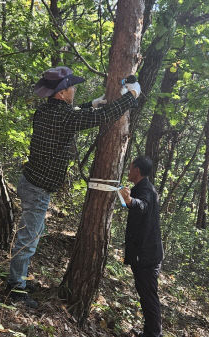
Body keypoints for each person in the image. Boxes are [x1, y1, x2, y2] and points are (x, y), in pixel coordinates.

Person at [8, 66, 142, 308]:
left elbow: (73, 115)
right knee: (28, 239)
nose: (74, 90)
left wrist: (92, 103)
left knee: (32, 233)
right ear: (61, 93)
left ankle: (19, 279)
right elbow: (98, 118)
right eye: (71, 87)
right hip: (37, 188)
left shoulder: (46, 111)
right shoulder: (63, 116)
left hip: (32, 183)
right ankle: (15, 288)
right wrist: (130, 96)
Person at [119, 156, 164, 337]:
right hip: (145, 253)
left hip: (148, 256)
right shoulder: (143, 186)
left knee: (149, 297)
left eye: (130, 167)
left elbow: (142, 206)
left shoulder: (145, 190)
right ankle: (150, 334)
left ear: (137, 169)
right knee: (145, 295)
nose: (128, 169)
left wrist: (130, 201)